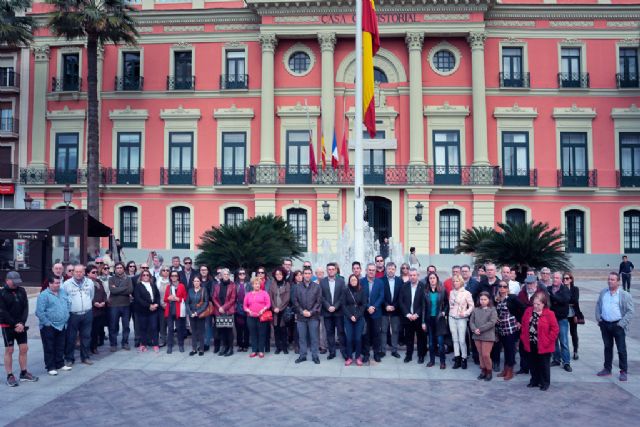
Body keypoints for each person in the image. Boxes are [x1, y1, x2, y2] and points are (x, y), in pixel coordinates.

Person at [595, 272, 635, 382]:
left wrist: (621, 324)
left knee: (621, 349)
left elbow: (630, 311)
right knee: (607, 347)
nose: (609, 281)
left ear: (618, 282)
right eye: (609, 279)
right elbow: (598, 306)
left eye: (612, 280)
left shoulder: (624, 295)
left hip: (618, 326)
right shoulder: (604, 292)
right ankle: (607, 369)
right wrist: (599, 319)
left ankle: (623, 371)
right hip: (605, 324)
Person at [1, 272, 38, 386]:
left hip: (20, 325)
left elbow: (26, 307)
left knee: (24, 348)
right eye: (13, 282)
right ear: (7, 280)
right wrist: (14, 324)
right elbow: (3, 311)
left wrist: (22, 323)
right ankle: (10, 375)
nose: (16, 284)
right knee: (9, 350)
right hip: (8, 326)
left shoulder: (21, 290)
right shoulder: (2, 293)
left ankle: (24, 373)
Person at [520, 291, 559, 391]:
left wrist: (548, 341)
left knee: (544, 365)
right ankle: (534, 381)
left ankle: (545, 382)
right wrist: (524, 338)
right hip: (531, 343)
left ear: (544, 304)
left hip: (544, 345)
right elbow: (524, 325)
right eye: (534, 303)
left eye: (538, 304)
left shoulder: (550, 314)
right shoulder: (528, 311)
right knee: (532, 364)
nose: (535, 306)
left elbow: (555, 330)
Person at [36, 275, 70, 376]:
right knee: (49, 347)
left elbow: (68, 304)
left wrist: (66, 315)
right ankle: (50, 367)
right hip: (49, 326)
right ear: (50, 284)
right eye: (55, 283)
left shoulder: (63, 292)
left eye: (59, 283)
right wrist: (47, 323)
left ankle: (60, 364)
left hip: (62, 324)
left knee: (60, 345)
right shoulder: (44, 295)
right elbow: (39, 312)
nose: (58, 285)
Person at [63, 264, 95, 367]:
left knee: (86, 336)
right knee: (71, 337)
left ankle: (85, 357)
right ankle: (69, 358)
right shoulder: (67, 284)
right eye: (76, 271)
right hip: (73, 314)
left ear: (84, 272)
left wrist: (86, 305)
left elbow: (91, 295)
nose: (78, 273)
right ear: (73, 272)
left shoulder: (89, 282)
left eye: (80, 271)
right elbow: (64, 298)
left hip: (87, 313)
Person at [515, 275, 547, 375]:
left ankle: (535, 368)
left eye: (532, 283)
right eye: (528, 284)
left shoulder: (541, 294)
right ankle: (524, 367)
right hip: (523, 324)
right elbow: (517, 309)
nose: (530, 286)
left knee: (534, 348)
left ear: (536, 284)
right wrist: (518, 321)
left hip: (536, 324)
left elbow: (547, 309)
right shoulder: (521, 294)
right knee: (522, 346)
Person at [494, 279, 524, 381]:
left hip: (511, 328)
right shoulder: (497, 299)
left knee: (510, 350)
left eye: (504, 286)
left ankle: (510, 371)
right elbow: (494, 312)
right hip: (501, 328)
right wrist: (495, 318)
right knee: (506, 350)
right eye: (500, 286)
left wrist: (519, 321)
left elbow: (522, 308)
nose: (502, 288)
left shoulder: (512, 298)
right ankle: (505, 369)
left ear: (508, 288)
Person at [293, 268, 322, 364]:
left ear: (312, 274)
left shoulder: (316, 287)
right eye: (305, 273)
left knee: (314, 337)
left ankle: (315, 356)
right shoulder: (297, 287)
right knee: (302, 337)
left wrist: (311, 312)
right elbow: (295, 301)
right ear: (303, 275)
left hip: (313, 316)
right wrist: (302, 311)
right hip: (301, 317)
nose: (307, 275)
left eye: (309, 273)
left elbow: (318, 302)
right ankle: (303, 355)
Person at [320, 262, 346, 360]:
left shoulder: (341, 281)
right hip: (327, 312)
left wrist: (335, 306)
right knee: (329, 333)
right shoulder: (322, 282)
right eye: (329, 269)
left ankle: (344, 351)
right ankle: (332, 352)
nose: (330, 271)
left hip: (338, 312)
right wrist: (328, 306)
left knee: (341, 333)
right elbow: (321, 296)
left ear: (336, 270)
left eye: (332, 269)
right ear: (327, 270)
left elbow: (342, 296)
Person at [421, 272, 448, 369]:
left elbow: (446, 304)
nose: (432, 280)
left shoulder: (442, 290)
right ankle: (432, 361)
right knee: (431, 343)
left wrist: (444, 312)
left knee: (440, 343)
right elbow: (423, 308)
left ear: (437, 279)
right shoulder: (425, 292)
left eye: (434, 278)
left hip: (439, 319)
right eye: (430, 278)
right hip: (429, 320)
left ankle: (442, 362)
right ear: (428, 280)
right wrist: (423, 322)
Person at [399, 268, 426, 364]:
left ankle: (421, 355)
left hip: (418, 317)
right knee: (409, 338)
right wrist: (408, 314)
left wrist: (417, 314)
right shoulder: (404, 286)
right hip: (408, 317)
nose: (412, 277)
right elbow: (401, 302)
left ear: (418, 276)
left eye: (414, 275)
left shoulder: (423, 286)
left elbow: (423, 303)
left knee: (421, 338)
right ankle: (408, 355)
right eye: (410, 275)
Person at [470, 291, 498, 381]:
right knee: (481, 354)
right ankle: (483, 370)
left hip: (487, 335)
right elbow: (471, 321)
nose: (483, 301)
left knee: (486, 354)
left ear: (489, 300)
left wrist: (480, 329)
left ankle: (489, 371)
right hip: (477, 335)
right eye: (481, 299)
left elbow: (492, 322)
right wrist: (474, 329)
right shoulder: (476, 309)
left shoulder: (492, 310)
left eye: (485, 299)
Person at [547, 272, 572, 372]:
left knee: (564, 342)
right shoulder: (548, 289)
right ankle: (556, 359)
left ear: (561, 280)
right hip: (551, 320)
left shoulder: (565, 289)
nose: (555, 279)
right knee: (553, 341)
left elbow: (563, 300)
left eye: (557, 278)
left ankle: (566, 362)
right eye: (554, 278)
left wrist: (552, 297)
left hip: (562, 319)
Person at [448, 273, 474, 370]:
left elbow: (472, 306)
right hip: (452, 317)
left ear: (461, 282)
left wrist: (466, 313)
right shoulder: (451, 292)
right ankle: (457, 358)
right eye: (454, 281)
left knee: (462, 340)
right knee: (455, 339)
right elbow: (451, 304)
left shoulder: (466, 293)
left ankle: (464, 358)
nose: (455, 283)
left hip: (462, 318)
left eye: (457, 281)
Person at [361, 263, 384, 364]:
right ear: (366, 270)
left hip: (376, 313)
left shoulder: (380, 282)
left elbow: (381, 296)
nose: (371, 272)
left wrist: (374, 307)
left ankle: (376, 353)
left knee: (376, 334)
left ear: (375, 271)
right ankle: (366, 354)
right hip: (365, 313)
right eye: (369, 270)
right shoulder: (361, 282)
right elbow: (360, 297)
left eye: (373, 270)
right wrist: (367, 307)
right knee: (366, 334)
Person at [133, 270, 161, 353]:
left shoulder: (153, 285)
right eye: (144, 275)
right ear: (141, 276)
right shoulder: (138, 286)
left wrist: (156, 304)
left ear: (150, 276)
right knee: (143, 328)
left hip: (153, 310)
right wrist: (149, 306)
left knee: (154, 327)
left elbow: (157, 295)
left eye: (147, 275)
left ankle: (156, 344)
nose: (145, 276)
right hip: (143, 310)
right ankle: (143, 344)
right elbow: (138, 299)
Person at [108, 262, 133, 351]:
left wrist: (117, 288)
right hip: (114, 306)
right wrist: (124, 288)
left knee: (126, 326)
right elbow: (112, 291)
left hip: (126, 305)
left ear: (123, 269)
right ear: (115, 269)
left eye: (121, 267)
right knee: (113, 325)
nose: (119, 269)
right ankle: (113, 344)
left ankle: (125, 343)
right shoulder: (111, 279)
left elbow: (130, 290)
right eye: (117, 268)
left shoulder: (128, 279)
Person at [244, 276, 272, 358]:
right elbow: (245, 306)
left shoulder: (264, 293)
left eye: (258, 284)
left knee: (262, 334)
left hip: (261, 316)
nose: (257, 285)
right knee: (253, 334)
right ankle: (254, 350)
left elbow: (268, 304)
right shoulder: (248, 294)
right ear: (252, 285)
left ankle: (261, 351)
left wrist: (262, 310)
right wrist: (249, 311)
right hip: (251, 317)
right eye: (255, 284)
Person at [342, 274, 366, 366]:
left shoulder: (361, 290)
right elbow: (343, 305)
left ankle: (358, 356)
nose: (353, 281)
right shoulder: (345, 290)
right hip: (348, 318)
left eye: (355, 280)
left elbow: (364, 305)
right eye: (351, 280)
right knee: (349, 338)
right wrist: (350, 316)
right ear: (349, 281)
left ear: (357, 281)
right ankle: (349, 357)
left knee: (358, 338)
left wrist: (356, 316)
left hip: (359, 318)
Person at [381, 262, 403, 359]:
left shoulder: (399, 280)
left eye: (392, 269)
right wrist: (386, 305)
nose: (390, 270)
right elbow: (380, 295)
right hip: (384, 310)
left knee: (395, 330)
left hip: (396, 310)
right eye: (389, 268)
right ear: (386, 269)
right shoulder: (380, 280)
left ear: (395, 270)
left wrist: (395, 306)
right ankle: (382, 350)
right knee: (383, 330)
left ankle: (394, 350)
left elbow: (401, 296)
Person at [212, 268, 236, 356]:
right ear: (221, 276)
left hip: (228, 310)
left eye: (227, 274)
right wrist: (219, 307)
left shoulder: (233, 285)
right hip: (219, 311)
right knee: (221, 330)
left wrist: (224, 307)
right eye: (224, 274)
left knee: (229, 330)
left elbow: (233, 299)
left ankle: (230, 348)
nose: (226, 276)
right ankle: (224, 347)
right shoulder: (217, 286)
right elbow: (214, 298)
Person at [269, 267, 291, 355]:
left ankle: (285, 347)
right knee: (276, 329)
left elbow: (287, 298)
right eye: (277, 274)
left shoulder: (287, 284)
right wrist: (274, 308)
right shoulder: (272, 284)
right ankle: (278, 347)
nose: (278, 276)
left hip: (283, 310)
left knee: (284, 330)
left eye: (280, 274)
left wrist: (280, 308)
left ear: (283, 275)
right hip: (274, 311)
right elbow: (270, 297)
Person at [164, 271, 187, 354]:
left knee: (179, 328)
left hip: (178, 310)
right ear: (170, 277)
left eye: (175, 275)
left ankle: (181, 345)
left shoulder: (182, 286)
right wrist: (169, 298)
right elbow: (165, 299)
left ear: (178, 277)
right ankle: (169, 346)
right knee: (170, 329)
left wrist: (178, 299)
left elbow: (185, 297)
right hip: (170, 310)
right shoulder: (168, 287)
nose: (174, 277)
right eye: (172, 275)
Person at [87, 265, 107, 354]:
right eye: (93, 272)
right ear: (88, 273)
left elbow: (104, 293)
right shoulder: (86, 283)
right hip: (91, 310)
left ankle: (94, 347)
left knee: (96, 330)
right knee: (89, 331)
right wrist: (94, 303)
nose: (95, 274)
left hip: (100, 310)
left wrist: (104, 302)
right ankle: (87, 347)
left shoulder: (99, 281)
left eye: (96, 272)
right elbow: (87, 295)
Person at [564, 272, 584, 360]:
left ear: (571, 280)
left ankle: (575, 351)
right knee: (563, 333)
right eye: (564, 278)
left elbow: (575, 300)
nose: (565, 280)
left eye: (567, 278)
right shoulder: (561, 288)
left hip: (573, 313)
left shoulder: (575, 289)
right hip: (563, 313)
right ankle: (564, 352)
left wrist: (576, 315)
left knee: (573, 333)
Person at [187, 276, 209, 356]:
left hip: (200, 314)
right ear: (193, 282)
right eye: (195, 281)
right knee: (193, 332)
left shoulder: (204, 290)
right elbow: (187, 303)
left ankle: (201, 349)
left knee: (201, 332)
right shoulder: (190, 291)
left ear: (200, 282)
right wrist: (190, 313)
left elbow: (206, 303)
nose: (196, 282)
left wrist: (198, 312)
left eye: (198, 281)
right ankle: (194, 349)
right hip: (192, 314)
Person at [235, 269, 251, 352]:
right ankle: (240, 344)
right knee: (239, 328)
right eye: (240, 273)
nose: (241, 275)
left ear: (245, 275)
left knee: (246, 328)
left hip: (247, 308)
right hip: (237, 308)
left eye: (243, 273)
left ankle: (246, 344)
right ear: (238, 275)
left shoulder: (249, 285)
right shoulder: (235, 285)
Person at [156, 266, 171, 348]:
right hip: (161, 306)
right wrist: (162, 303)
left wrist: (168, 304)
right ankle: (163, 339)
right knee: (162, 323)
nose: (165, 271)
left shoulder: (172, 281)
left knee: (171, 323)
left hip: (171, 305)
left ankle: (171, 339)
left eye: (167, 270)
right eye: (164, 270)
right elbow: (156, 294)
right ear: (161, 272)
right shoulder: (157, 281)